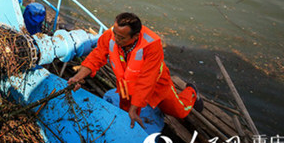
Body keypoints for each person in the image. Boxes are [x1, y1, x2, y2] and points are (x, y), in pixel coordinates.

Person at [67, 12, 202, 129]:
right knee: (126, 113)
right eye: (115, 34)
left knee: (178, 111)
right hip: (126, 84)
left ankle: (192, 92)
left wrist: (134, 107)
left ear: (135, 36)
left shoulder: (152, 44)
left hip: (156, 82)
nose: (116, 39)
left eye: (121, 38)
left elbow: (147, 79)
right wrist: (78, 77)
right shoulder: (111, 34)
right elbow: (96, 56)